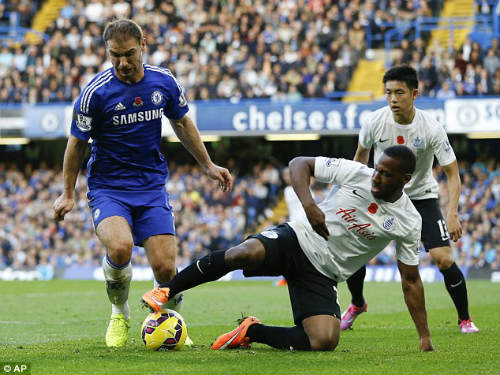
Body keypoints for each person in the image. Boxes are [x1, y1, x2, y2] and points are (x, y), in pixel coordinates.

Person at [142, 146, 435, 352]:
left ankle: (250, 331)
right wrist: (309, 206)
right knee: (242, 254)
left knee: (324, 341)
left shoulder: (408, 221)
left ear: (405, 180)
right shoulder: (357, 173)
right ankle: (167, 289)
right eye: (377, 169)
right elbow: (299, 163)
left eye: (384, 174)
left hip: (323, 273)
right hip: (297, 238)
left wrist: (424, 338)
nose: (376, 177)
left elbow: (411, 281)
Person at [52, 19, 233, 347]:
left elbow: (181, 122)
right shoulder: (96, 92)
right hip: (108, 188)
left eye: (129, 54)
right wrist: (68, 193)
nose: (122, 62)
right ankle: (119, 314)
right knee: (120, 248)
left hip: (150, 187)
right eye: (114, 55)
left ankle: (172, 320)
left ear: (143, 45)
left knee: (166, 269)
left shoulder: (163, 81)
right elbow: (76, 143)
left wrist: (207, 165)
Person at [340, 65, 478, 334]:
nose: (393, 99)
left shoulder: (431, 128)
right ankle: (357, 303)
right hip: (384, 198)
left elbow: (452, 172)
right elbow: (360, 158)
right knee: (353, 253)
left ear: (414, 94)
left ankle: (464, 319)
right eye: (388, 92)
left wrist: (452, 214)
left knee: (444, 259)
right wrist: (353, 194)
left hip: (421, 199)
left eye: (399, 93)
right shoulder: (374, 121)